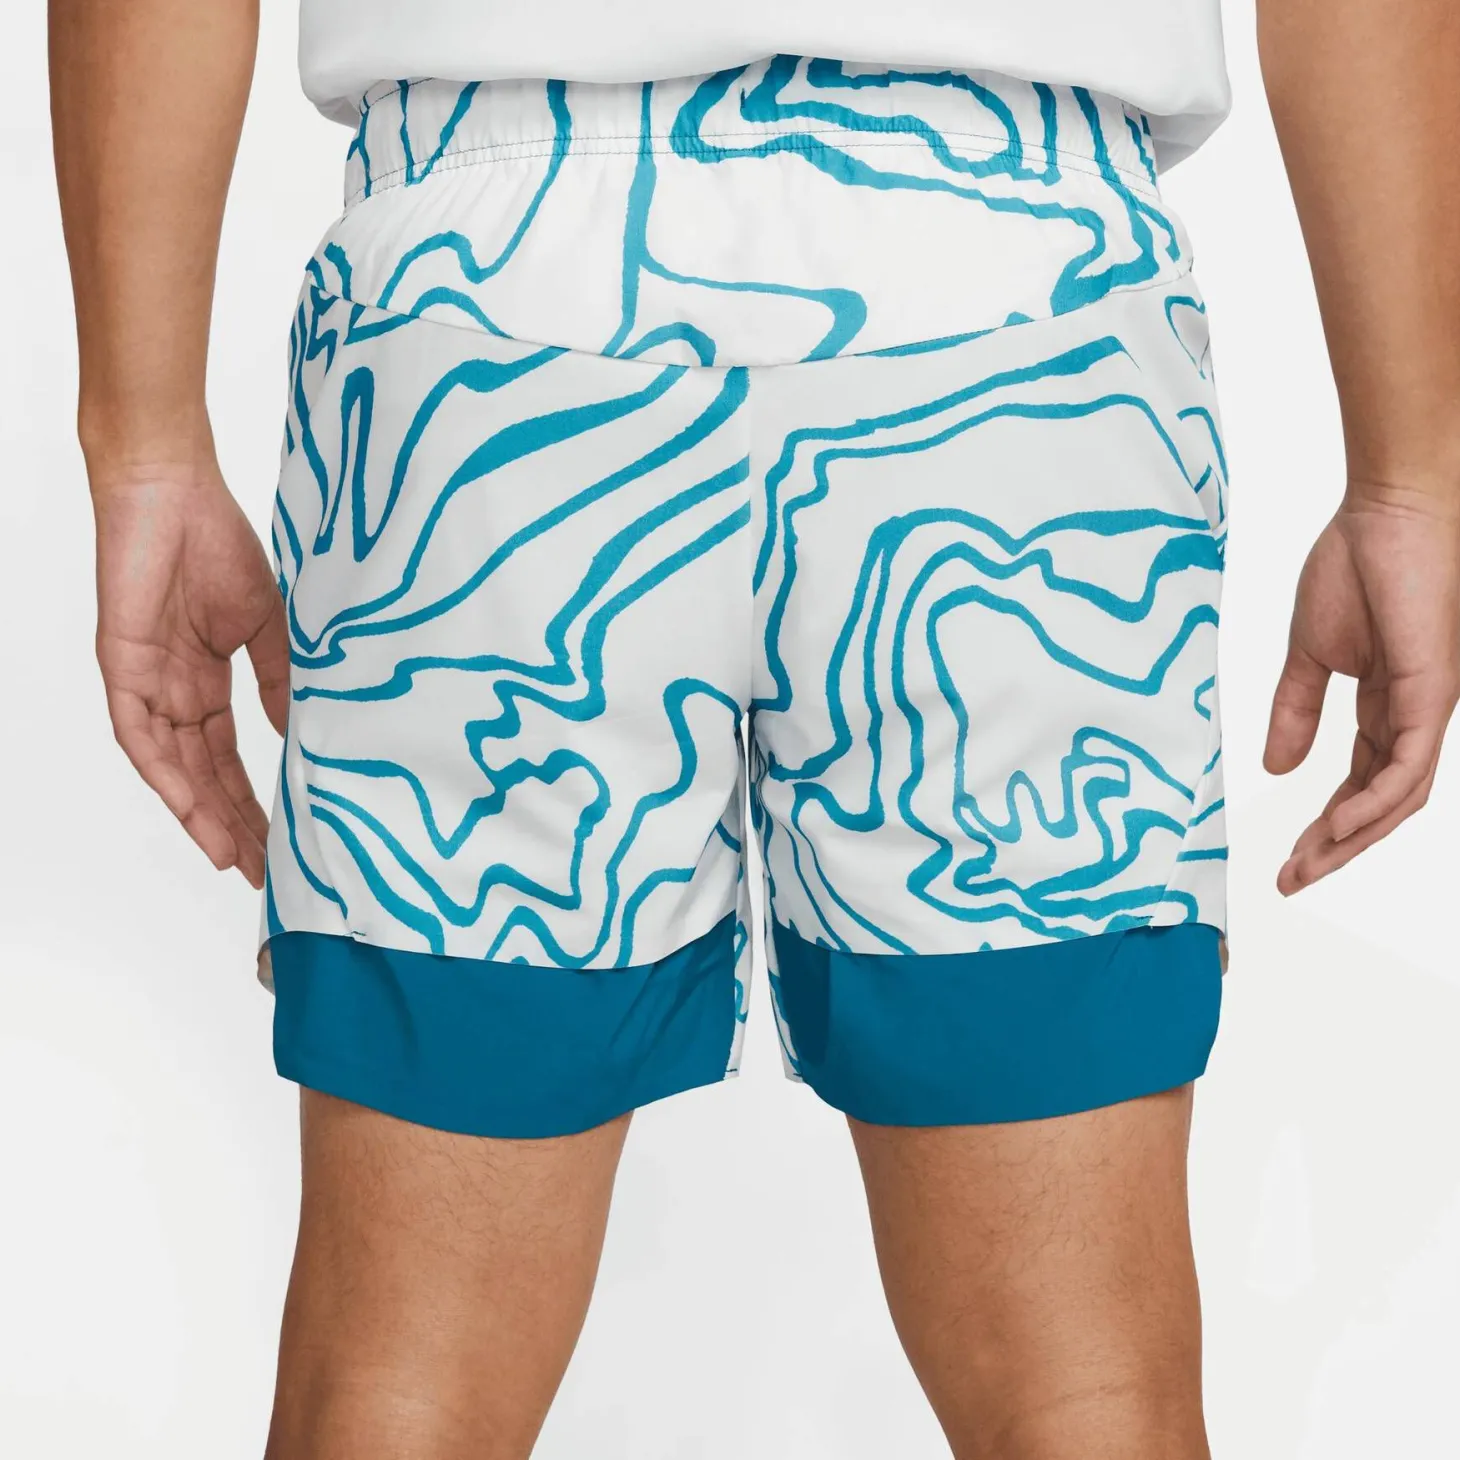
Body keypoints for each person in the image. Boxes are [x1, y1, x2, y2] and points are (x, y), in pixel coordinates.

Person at [48, 0, 1459, 1455]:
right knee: (1083, 1394)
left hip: (484, 320)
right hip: (1024, 311)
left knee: (404, 1386)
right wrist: (1408, 475)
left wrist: (145, 445)